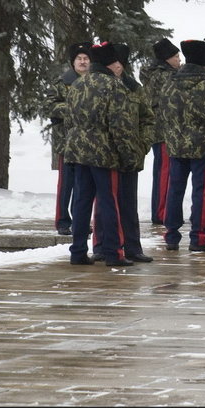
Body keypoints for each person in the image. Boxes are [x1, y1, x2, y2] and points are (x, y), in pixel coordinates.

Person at [62, 42, 141, 266]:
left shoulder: (77, 85)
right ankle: (113, 252)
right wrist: (128, 155)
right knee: (109, 202)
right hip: (104, 154)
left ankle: (77, 252)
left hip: (78, 151)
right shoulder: (114, 87)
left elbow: (68, 120)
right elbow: (120, 126)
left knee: (81, 202)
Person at [163, 39, 205, 252]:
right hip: (202, 145)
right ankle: (198, 237)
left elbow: (163, 112)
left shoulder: (170, 83)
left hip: (176, 144)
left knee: (174, 190)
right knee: (200, 191)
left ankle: (171, 236)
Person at [108, 42, 154, 263]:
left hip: (131, 154)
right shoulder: (100, 86)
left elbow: (147, 119)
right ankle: (105, 247)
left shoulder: (134, 88)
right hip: (106, 154)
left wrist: (143, 144)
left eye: (117, 64)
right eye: (111, 63)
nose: (114, 67)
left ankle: (133, 247)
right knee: (106, 204)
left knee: (128, 203)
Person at [46, 41, 91, 235]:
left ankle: (80, 220)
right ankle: (63, 221)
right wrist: (74, 109)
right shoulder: (62, 82)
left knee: (84, 185)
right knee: (66, 184)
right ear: (73, 62)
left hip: (88, 143)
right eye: (79, 59)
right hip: (67, 142)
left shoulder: (94, 82)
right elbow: (51, 106)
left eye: (86, 59)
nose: (82, 62)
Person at [139, 37, 180, 227]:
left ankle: (162, 210)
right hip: (165, 130)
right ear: (166, 59)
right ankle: (161, 211)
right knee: (165, 172)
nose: (179, 60)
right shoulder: (164, 76)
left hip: (162, 130)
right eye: (175, 56)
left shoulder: (158, 74)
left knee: (163, 171)